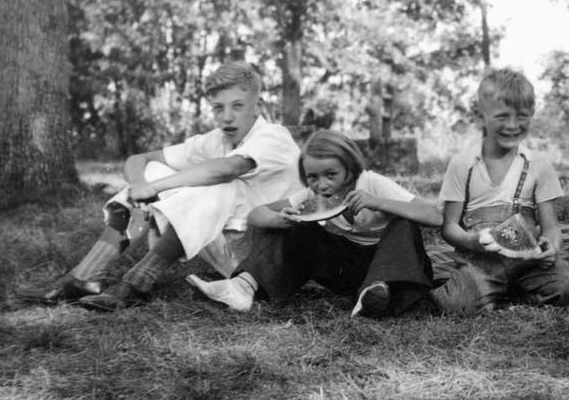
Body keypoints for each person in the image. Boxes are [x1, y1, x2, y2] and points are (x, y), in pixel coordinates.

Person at [21, 61, 301, 309]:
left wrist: (154, 190)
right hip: (229, 250)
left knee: (218, 185)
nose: (227, 117)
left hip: (266, 263)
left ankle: (137, 282)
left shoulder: (273, 136)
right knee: (154, 170)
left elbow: (228, 169)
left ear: (258, 105)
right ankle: (83, 276)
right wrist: (143, 184)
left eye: (237, 106)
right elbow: (138, 159)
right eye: (219, 107)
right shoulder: (215, 139)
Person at [186, 130, 440, 317]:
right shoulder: (311, 196)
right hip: (349, 273)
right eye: (313, 177)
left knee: (403, 224)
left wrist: (379, 202)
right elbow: (256, 215)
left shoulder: (372, 182)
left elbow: (434, 217)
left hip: (395, 269)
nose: (322, 185)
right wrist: (279, 219)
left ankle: (377, 294)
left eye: (331, 174)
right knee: (297, 225)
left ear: (351, 170)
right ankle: (241, 288)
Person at [431, 67, 569, 314]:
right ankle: (504, 294)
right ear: (481, 116)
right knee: (456, 304)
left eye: (522, 116)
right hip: (480, 263)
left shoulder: (539, 165)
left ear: (532, 114)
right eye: (502, 117)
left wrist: (551, 246)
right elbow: (449, 227)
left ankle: (503, 296)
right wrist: (470, 241)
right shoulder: (462, 164)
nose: (513, 126)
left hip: (530, 263)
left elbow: (551, 226)